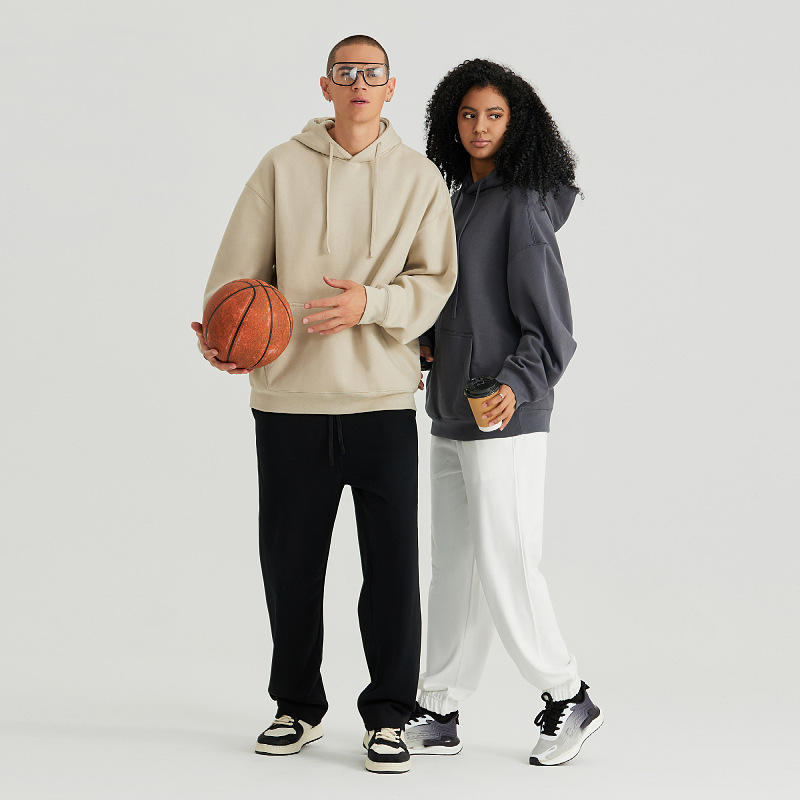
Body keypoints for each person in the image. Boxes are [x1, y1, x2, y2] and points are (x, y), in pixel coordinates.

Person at [190, 35, 457, 774]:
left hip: (382, 404)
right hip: (289, 405)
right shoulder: (279, 168)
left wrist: (371, 303)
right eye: (346, 73)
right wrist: (222, 336)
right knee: (291, 567)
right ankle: (296, 706)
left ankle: (390, 716)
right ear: (326, 85)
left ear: (391, 87)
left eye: (372, 74)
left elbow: (436, 282)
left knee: (392, 573)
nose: (359, 83)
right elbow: (235, 280)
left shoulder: (419, 178)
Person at [406, 58, 603, 766]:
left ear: (517, 124)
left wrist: (516, 385)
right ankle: (439, 707)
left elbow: (552, 327)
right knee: (454, 567)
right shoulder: (460, 200)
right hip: (451, 408)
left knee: (507, 561)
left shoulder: (520, 205)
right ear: (449, 122)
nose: (480, 127)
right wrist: (431, 342)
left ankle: (568, 694)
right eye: (468, 114)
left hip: (504, 413)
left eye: (494, 115)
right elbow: (463, 302)